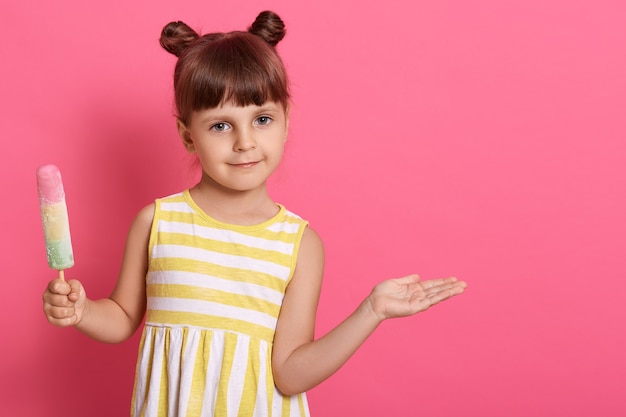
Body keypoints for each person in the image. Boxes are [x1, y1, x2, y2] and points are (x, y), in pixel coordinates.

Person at [42, 10, 467, 417]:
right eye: (221, 126)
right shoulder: (157, 222)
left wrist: (371, 311)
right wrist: (82, 312)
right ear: (188, 136)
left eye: (262, 119)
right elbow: (121, 319)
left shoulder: (299, 244)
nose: (245, 142)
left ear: (286, 121)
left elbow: (290, 372)